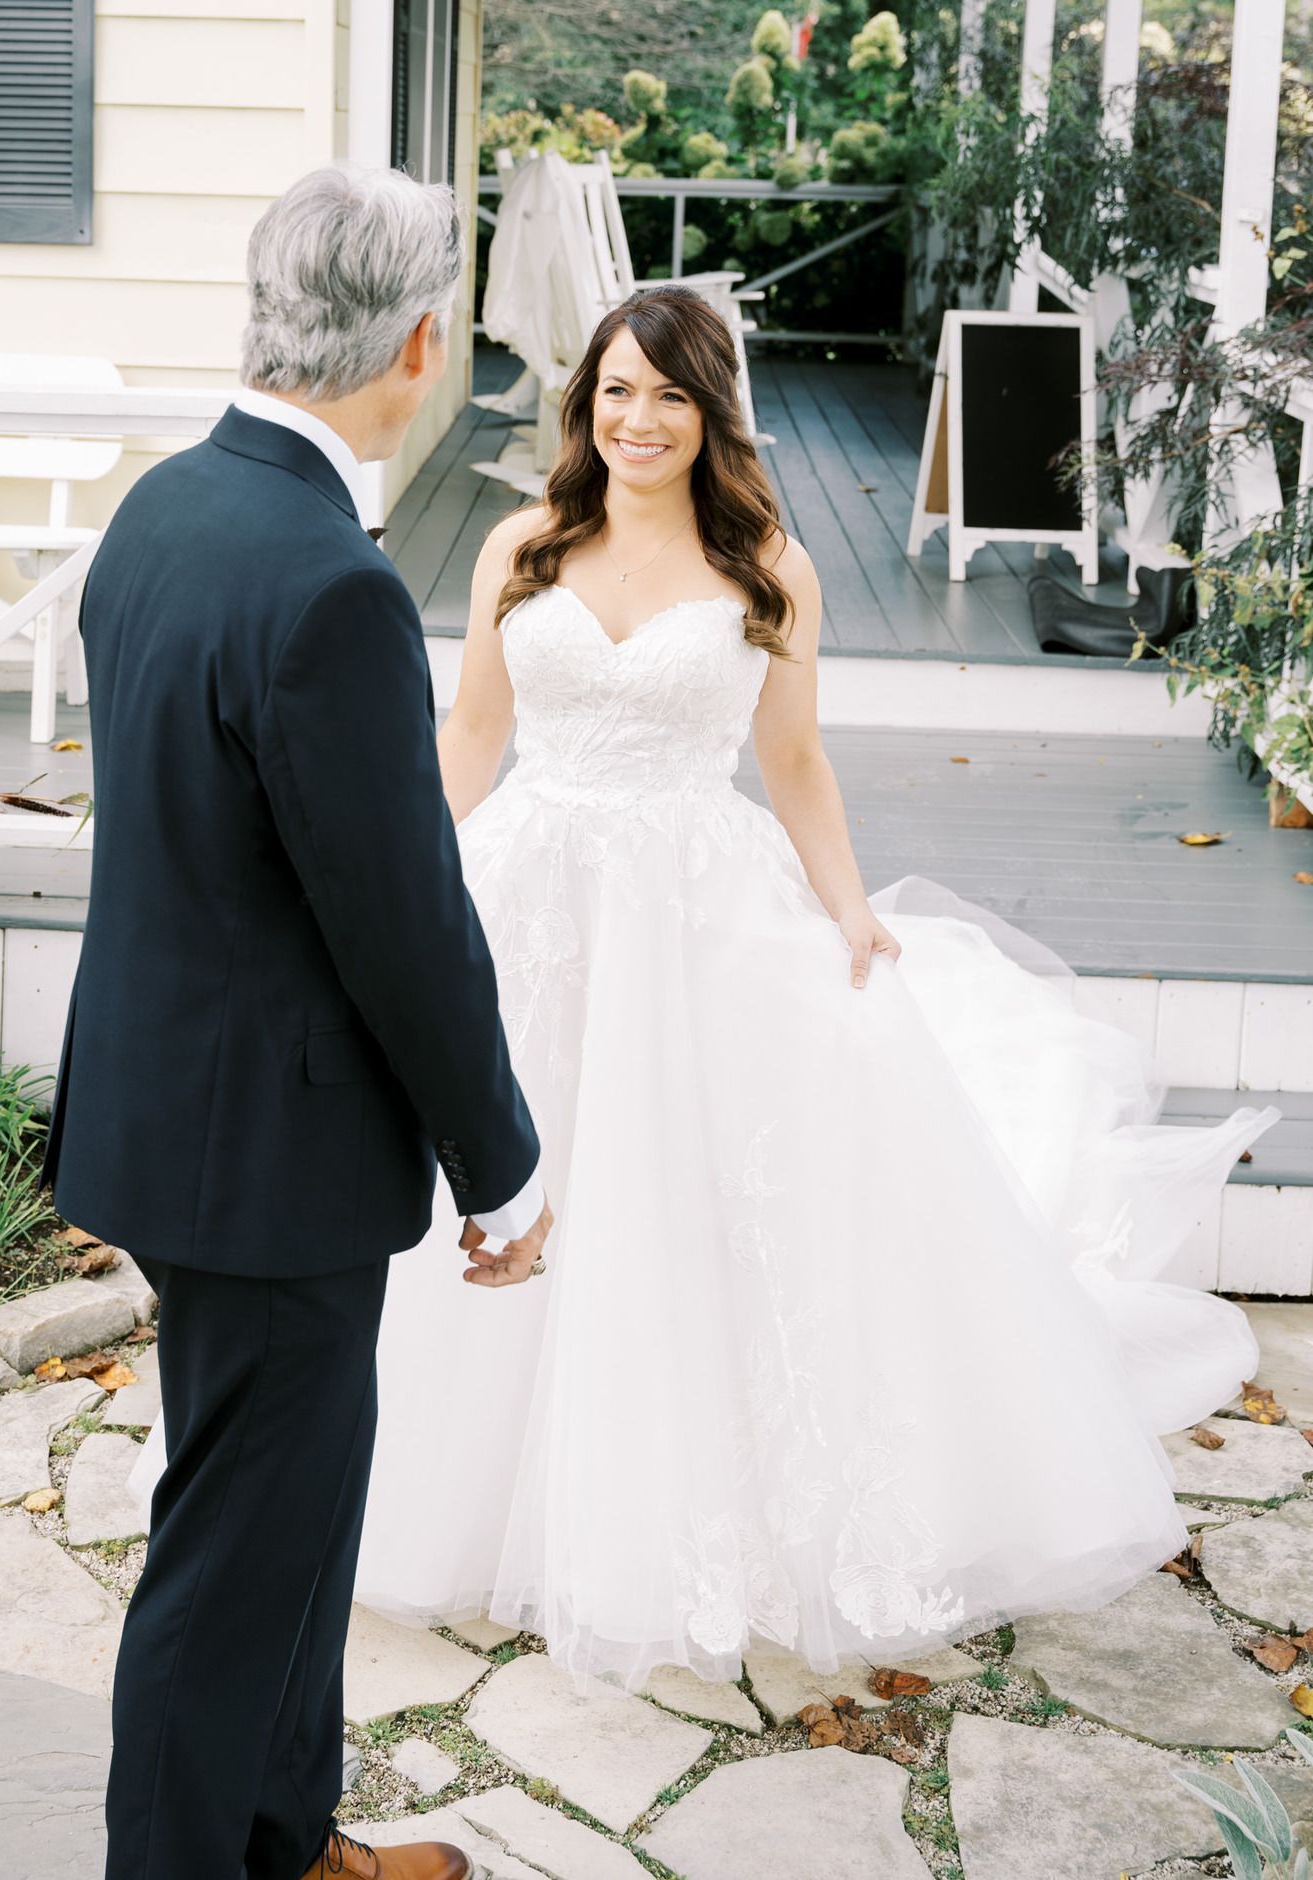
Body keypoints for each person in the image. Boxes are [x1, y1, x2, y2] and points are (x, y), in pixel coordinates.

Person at [355, 283, 1274, 1692]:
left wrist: (846, 906)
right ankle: (473, 1497)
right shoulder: (518, 546)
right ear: (581, 404)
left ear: (708, 411)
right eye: (614, 390)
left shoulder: (769, 563)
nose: (636, 419)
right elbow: (471, 734)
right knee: (507, 1172)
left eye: (667, 393)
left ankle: (683, 1521)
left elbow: (792, 761)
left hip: (692, 904)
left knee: (692, 1196)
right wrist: (409, 897)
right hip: (531, 896)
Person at [45, 166, 552, 1880]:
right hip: (270, 1149)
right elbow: (400, 922)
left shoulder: (163, 507)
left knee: (287, 1516)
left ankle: (288, 1838)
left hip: (176, 1111)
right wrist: (502, 1167)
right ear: (419, 343)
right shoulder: (328, 585)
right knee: (235, 1552)